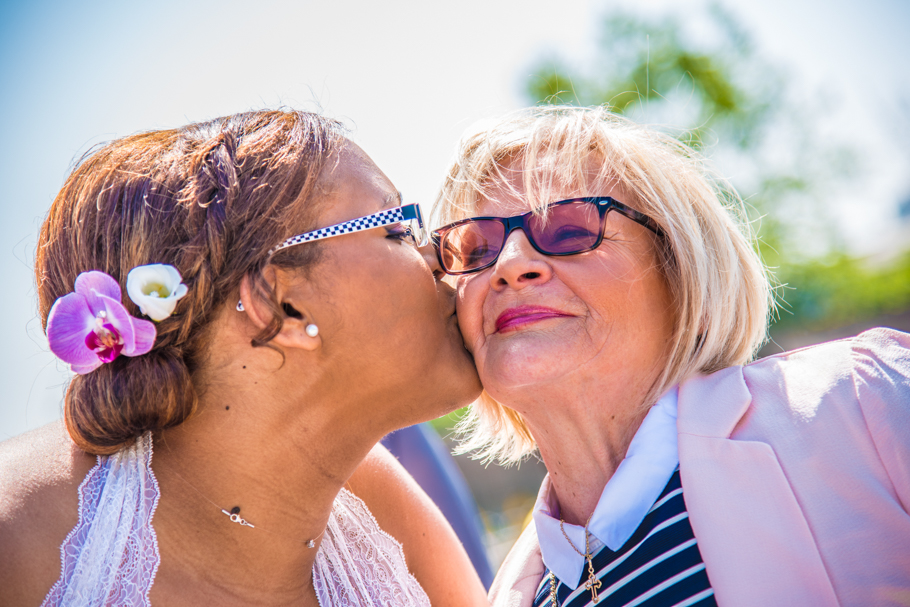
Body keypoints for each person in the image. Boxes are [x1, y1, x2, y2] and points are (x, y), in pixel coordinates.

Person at [0, 110, 490, 606]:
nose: (443, 257)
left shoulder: (377, 505)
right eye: (398, 229)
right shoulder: (15, 537)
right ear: (281, 305)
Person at [431, 105, 910, 607]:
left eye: (569, 231)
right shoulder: (515, 595)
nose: (509, 265)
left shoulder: (865, 400)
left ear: (681, 274)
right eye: (477, 251)